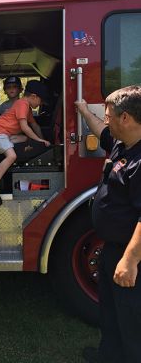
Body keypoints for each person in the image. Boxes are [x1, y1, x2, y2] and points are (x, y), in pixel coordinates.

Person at [75, 85, 141, 363]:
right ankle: (109, 356)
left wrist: (130, 261)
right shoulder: (121, 143)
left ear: (125, 118)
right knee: (111, 311)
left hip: (130, 253)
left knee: (131, 318)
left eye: (109, 115)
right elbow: (99, 130)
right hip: (112, 249)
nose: (105, 120)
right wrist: (82, 110)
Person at [0, 80, 51, 205]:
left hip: (4, 134)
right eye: (41, 101)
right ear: (33, 97)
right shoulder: (22, 104)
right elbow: (25, 128)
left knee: (25, 139)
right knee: (12, 156)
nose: (41, 104)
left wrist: (44, 144)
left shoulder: (27, 109)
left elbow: (35, 126)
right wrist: (39, 140)